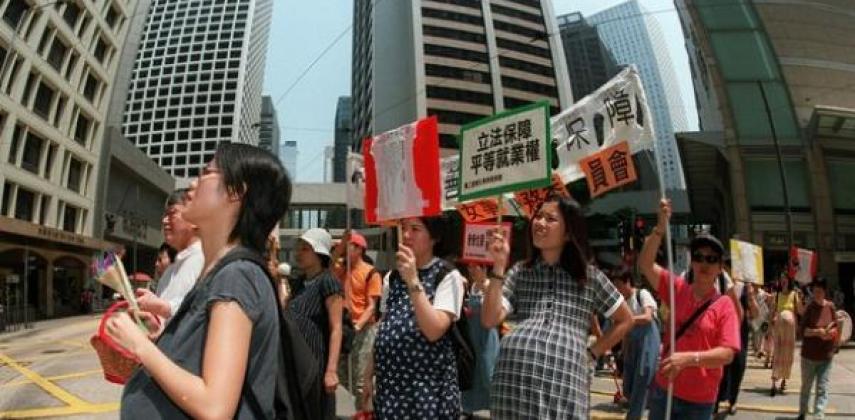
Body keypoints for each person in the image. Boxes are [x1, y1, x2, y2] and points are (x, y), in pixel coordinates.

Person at [107, 143, 291, 418]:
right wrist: (166, 340)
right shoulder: (221, 272)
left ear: (236, 192)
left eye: (206, 173)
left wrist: (140, 346)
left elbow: (215, 407)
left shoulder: (236, 277)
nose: (193, 184)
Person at [481, 195, 633, 419]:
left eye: (550, 219)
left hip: (564, 387)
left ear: (568, 232)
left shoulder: (589, 277)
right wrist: (498, 266)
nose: (539, 223)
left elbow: (626, 319)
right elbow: (489, 319)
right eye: (538, 217)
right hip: (512, 385)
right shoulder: (521, 271)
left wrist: (592, 353)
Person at [638, 199, 741, 419]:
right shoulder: (677, 288)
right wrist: (659, 228)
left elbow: (727, 353)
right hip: (664, 391)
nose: (704, 263)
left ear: (720, 268)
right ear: (692, 262)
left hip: (699, 401)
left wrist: (688, 359)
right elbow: (645, 265)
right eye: (699, 257)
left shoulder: (725, 305)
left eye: (711, 259)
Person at [363, 216, 466, 419]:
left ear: (434, 237)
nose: (406, 235)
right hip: (389, 391)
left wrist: (412, 280)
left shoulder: (446, 275)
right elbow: (385, 328)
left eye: (415, 229)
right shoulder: (392, 277)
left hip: (427, 394)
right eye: (404, 228)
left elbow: (434, 330)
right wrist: (368, 376)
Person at [286, 227, 344, 419]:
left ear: (319, 254)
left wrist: (331, 370)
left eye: (305, 248)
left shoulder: (328, 282)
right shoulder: (298, 283)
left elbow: (336, 328)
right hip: (295, 366)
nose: (299, 253)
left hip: (315, 366)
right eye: (299, 248)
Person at [136, 189, 204, 324]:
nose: (164, 221)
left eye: (172, 214)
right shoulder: (170, 270)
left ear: (194, 219)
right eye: (165, 215)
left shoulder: (205, 261)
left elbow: (200, 312)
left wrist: (164, 308)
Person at [332, 230, 383, 410]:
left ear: (359, 249)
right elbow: (328, 265)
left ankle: (362, 412)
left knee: (361, 378)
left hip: (364, 329)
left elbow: (372, 306)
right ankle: (367, 401)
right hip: (344, 328)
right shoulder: (340, 269)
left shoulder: (371, 273)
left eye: (348, 246)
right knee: (340, 373)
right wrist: (340, 246)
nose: (344, 250)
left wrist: (358, 325)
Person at [612, 268, 659, 420]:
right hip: (632, 343)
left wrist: (628, 320)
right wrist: (623, 351)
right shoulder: (622, 303)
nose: (617, 290)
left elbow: (647, 317)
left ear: (627, 282)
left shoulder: (642, 294)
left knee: (642, 377)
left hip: (647, 340)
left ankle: (633, 416)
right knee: (629, 384)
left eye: (619, 285)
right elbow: (625, 332)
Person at [461, 263, 500, 418]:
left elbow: (496, 308)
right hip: (473, 335)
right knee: (472, 371)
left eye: (474, 267)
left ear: (484, 268)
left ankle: (496, 406)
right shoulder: (472, 286)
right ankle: (468, 408)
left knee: (487, 371)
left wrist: (486, 288)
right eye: (469, 267)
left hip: (487, 336)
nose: (471, 270)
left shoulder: (489, 285)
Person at [798, 277, 838, 420]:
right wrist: (817, 332)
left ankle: (818, 416)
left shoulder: (831, 307)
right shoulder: (810, 308)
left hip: (826, 356)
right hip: (809, 356)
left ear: (824, 291)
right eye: (815, 291)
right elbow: (802, 331)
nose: (817, 294)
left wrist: (831, 334)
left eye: (819, 291)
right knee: (806, 387)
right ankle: (802, 413)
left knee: (822, 389)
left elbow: (836, 328)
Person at [771, 271, 804, 396]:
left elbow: (800, 311)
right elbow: (772, 312)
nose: (783, 280)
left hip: (790, 329)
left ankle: (784, 380)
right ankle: (774, 382)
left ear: (789, 281)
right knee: (777, 353)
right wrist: (769, 328)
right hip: (778, 328)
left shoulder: (794, 295)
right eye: (781, 278)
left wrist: (802, 300)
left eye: (785, 278)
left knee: (788, 355)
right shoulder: (777, 295)